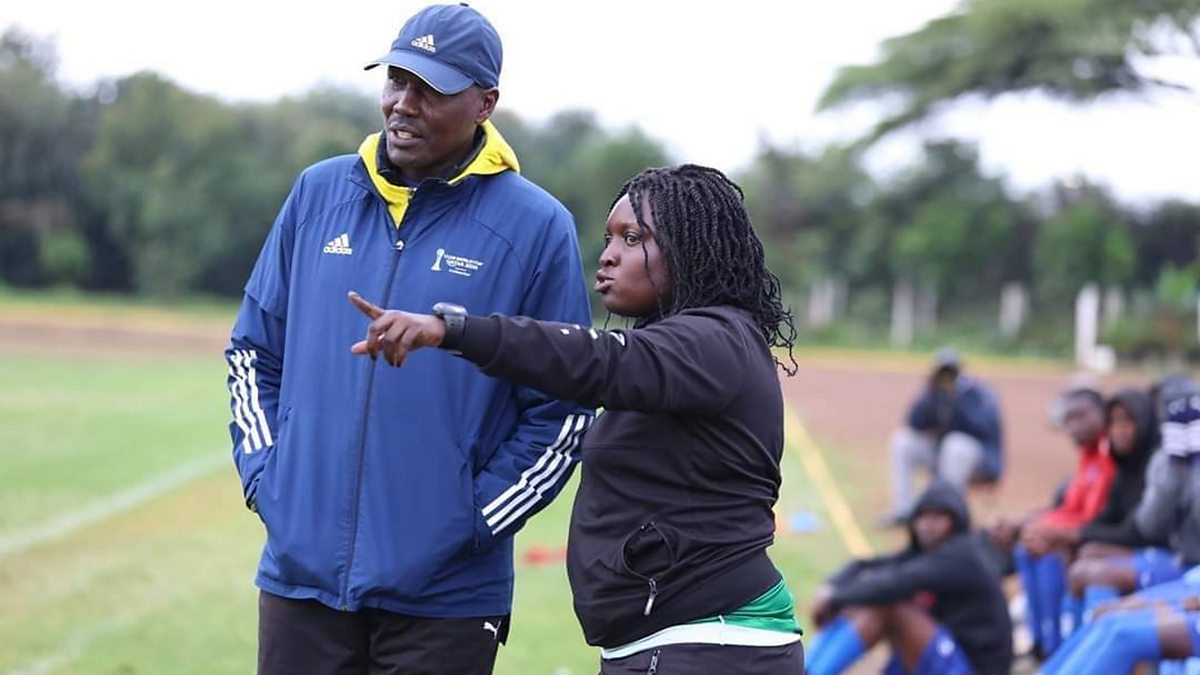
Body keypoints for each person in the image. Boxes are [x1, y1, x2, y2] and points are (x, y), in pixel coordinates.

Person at [224, 5, 593, 674]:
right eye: (397, 80)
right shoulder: (316, 196)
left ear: (485, 103)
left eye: (431, 89)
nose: (403, 104)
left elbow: (563, 408)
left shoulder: (537, 226)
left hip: (446, 600)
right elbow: (253, 352)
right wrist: (268, 483)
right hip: (300, 582)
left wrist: (469, 520)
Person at [346, 164, 805, 674]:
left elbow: (599, 359)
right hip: (670, 644)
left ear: (691, 248)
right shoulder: (687, 347)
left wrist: (452, 330)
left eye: (633, 239)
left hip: (710, 645)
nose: (608, 255)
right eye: (609, 238)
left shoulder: (717, 340)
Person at [804, 480, 1013, 675]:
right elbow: (866, 565)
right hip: (947, 654)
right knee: (860, 599)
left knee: (889, 605)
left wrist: (835, 598)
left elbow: (894, 585)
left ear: (956, 521)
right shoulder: (927, 553)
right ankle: (804, 668)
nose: (928, 525)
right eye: (923, 516)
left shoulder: (961, 555)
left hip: (972, 668)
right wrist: (831, 587)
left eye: (938, 518)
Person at [989, 387, 1114, 658]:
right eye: (1068, 419)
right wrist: (1029, 525)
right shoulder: (1089, 455)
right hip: (1078, 533)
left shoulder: (1109, 456)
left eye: (1081, 416)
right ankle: (1041, 641)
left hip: (1100, 541)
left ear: (1103, 415)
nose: (1074, 426)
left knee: (1045, 552)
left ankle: (1057, 647)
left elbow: (1092, 517)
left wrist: (1047, 531)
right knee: (1027, 548)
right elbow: (1068, 509)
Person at [1063, 388, 1166, 632]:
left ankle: (1087, 647)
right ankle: (1056, 645)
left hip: (1167, 553)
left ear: (1145, 422)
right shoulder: (1125, 466)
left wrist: (1076, 534)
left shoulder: (1160, 464)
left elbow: (1139, 531)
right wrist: (1074, 535)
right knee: (1081, 556)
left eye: (1127, 422)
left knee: (1092, 567)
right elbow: (1108, 516)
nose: (1119, 430)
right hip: (1142, 548)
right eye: (1113, 422)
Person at [881, 348, 1003, 526]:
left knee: (955, 444)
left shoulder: (977, 392)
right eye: (942, 372)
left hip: (977, 460)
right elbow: (914, 422)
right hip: (941, 454)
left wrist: (958, 400)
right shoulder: (934, 391)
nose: (946, 377)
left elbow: (984, 428)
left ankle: (949, 514)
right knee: (902, 441)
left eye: (950, 372)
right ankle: (904, 511)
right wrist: (929, 394)